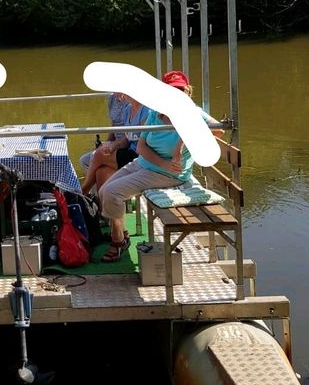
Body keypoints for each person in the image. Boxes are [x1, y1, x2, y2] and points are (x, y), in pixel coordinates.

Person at [98, 70, 223, 262]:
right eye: (172, 91)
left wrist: (184, 139)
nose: (177, 95)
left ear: (188, 92)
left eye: (181, 90)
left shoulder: (194, 113)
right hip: (147, 164)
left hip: (168, 175)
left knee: (113, 192)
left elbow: (219, 130)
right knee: (104, 191)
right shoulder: (156, 114)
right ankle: (121, 233)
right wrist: (164, 161)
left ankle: (117, 241)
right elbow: (141, 145)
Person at [80, 95, 149, 195]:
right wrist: (113, 145)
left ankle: (84, 190)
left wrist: (112, 146)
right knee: (101, 172)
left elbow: (145, 143)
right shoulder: (128, 110)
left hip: (141, 155)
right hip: (130, 151)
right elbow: (126, 138)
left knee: (99, 154)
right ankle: (100, 207)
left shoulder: (147, 111)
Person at [80, 92, 129, 181]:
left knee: (94, 158)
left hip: (126, 144)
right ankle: (94, 193)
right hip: (115, 143)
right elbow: (113, 124)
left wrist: (114, 145)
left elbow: (131, 135)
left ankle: (91, 190)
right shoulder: (111, 98)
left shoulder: (130, 101)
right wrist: (106, 143)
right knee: (84, 160)